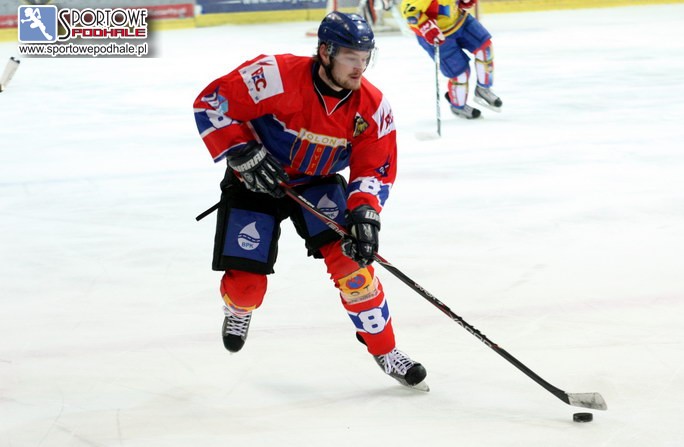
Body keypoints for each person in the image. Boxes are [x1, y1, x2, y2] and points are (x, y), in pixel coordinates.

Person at [193, 12, 428, 391]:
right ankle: (238, 308)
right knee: (246, 288)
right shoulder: (274, 76)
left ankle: (385, 350)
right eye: (350, 57)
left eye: (365, 57)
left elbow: (375, 167)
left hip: (316, 184)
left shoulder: (372, 108)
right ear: (325, 52)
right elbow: (211, 104)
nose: (360, 67)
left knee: (354, 269)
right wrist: (240, 151)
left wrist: (365, 211)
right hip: (256, 181)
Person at [399, 0, 502, 119]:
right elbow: (409, 11)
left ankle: (483, 89)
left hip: (459, 20)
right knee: (460, 73)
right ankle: (458, 105)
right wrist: (426, 26)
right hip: (437, 34)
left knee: (484, 48)